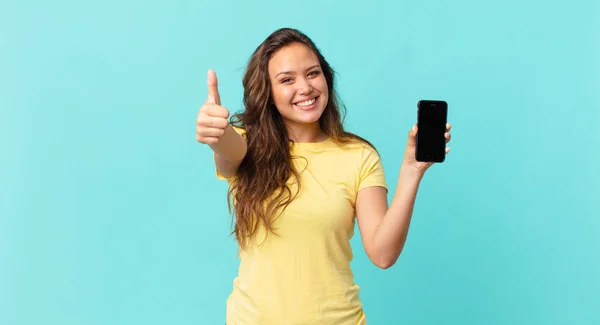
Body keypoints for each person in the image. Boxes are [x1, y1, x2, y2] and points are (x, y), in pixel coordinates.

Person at [196, 27, 452, 325]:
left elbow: (383, 254)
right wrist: (216, 132)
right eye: (287, 79)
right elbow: (229, 148)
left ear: (326, 78)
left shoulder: (359, 155)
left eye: (313, 73)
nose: (305, 87)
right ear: (267, 91)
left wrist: (411, 171)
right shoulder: (247, 144)